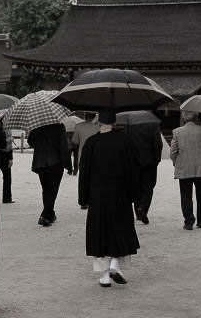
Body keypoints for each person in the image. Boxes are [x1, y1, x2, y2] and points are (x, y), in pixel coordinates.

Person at [78, 110, 140, 287]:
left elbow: (85, 173)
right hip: (121, 193)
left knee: (100, 232)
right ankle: (115, 264)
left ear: (99, 122)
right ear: (114, 122)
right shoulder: (125, 141)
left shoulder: (91, 143)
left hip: (97, 195)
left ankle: (104, 276)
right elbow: (134, 169)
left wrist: (83, 197)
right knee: (119, 229)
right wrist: (135, 194)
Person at [170, 110, 201, 230]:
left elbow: (173, 152)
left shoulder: (177, 132)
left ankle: (188, 222)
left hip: (184, 167)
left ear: (184, 118)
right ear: (196, 117)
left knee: (186, 195)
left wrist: (177, 163)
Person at [27, 122, 71, 226]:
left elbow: (30, 141)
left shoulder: (36, 125)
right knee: (53, 189)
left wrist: (41, 146)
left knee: (46, 189)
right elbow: (63, 146)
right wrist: (68, 164)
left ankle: (50, 213)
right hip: (55, 161)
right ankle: (45, 215)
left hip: (40, 162)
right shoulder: (59, 126)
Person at [122, 116, 163, 225]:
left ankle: (138, 210)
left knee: (136, 186)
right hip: (149, 161)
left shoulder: (129, 124)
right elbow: (158, 143)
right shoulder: (153, 123)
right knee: (148, 187)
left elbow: (126, 142)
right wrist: (157, 159)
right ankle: (143, 208)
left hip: (134, 161)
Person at [72, 112, 99, 177]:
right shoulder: (99, 126)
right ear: (94, 117)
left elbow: (75, 141)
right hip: (96, 155)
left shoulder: (78, 126)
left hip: (83, 155)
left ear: (85, 116)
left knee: (84, 176)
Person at [0, 116, 14, 204]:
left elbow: (9, 146)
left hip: (1, 155)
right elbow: (9, 146)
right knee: (3, 177)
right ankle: (7, 198)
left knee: (3, 177)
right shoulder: (4, 130)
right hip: (3, 155)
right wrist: (10, 158)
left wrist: (10, 158)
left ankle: (7, 198)